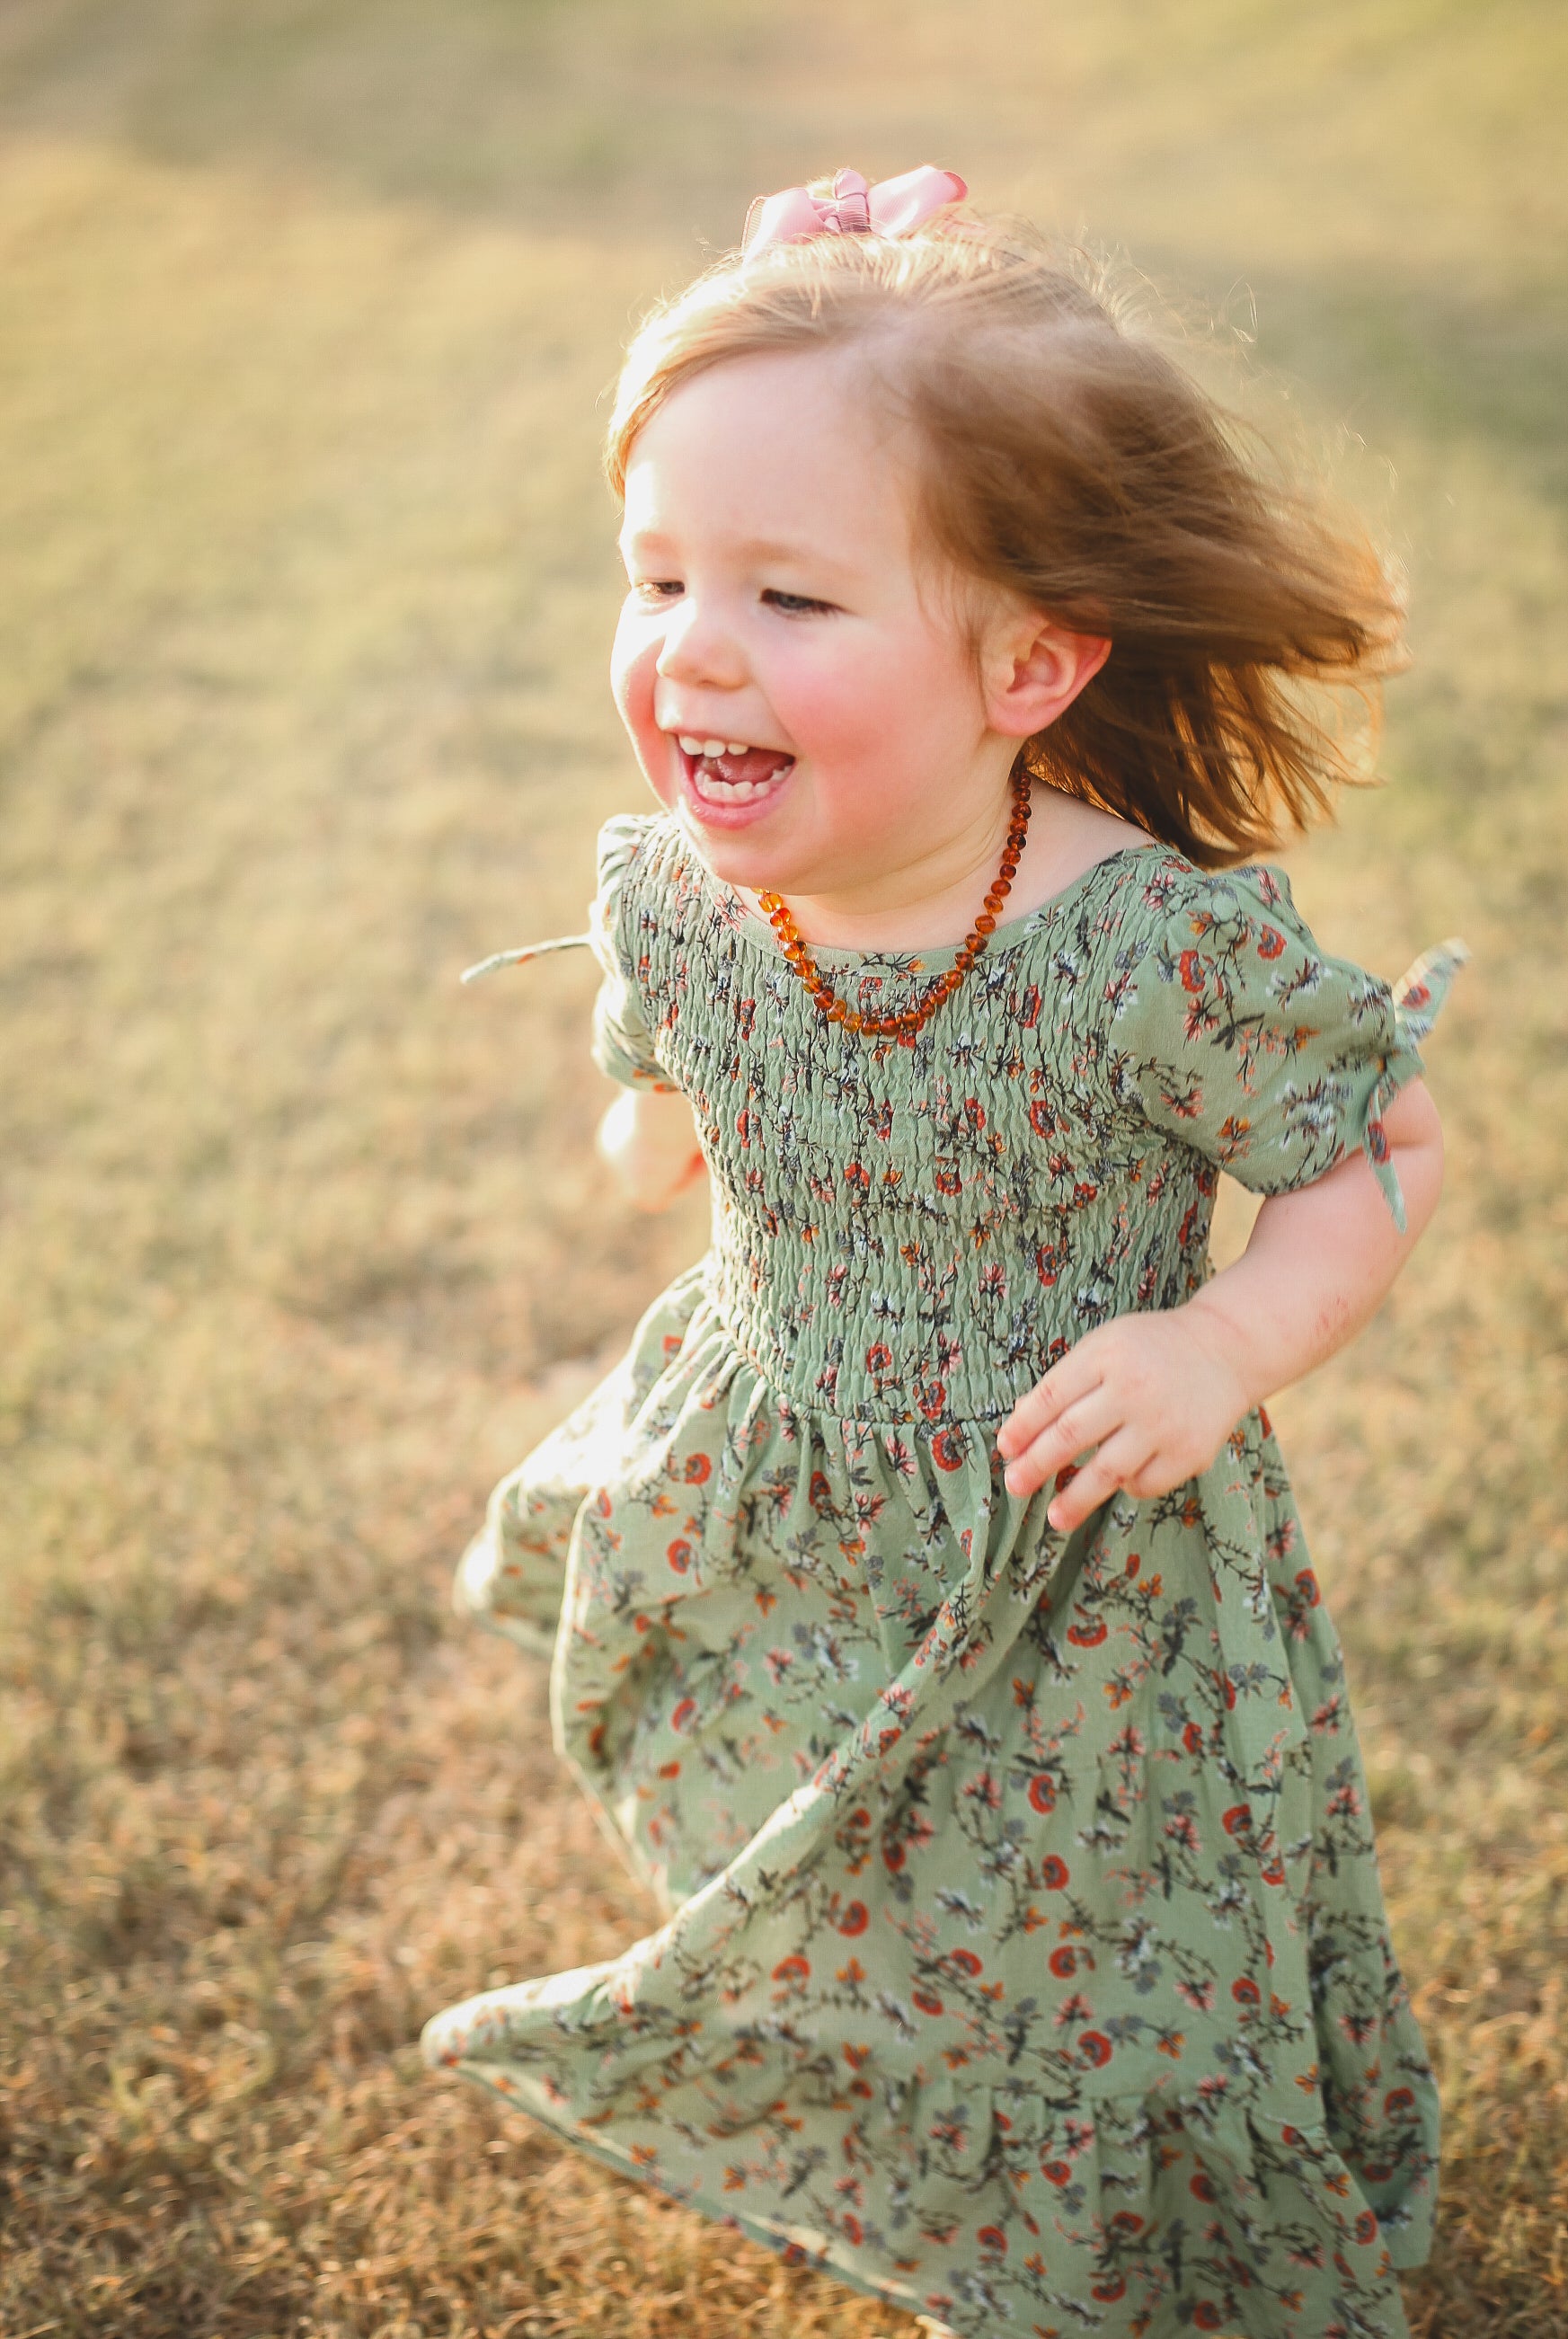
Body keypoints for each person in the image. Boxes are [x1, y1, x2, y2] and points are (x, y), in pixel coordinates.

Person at [422, 166, 1462, 2339]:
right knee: (845, 1867)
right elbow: (668, 1113)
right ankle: (898, 2118)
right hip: (780, 1487)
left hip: (1067, 1546)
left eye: (793, 598)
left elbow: (1377, 1147)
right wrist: (659, 1125)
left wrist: (1222, 1345)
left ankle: (1109, 2248)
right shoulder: (685, 899)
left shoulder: (1135, 949)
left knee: (1096, 1948)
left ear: (1032, 663)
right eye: (660, 575)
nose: (696, 645)